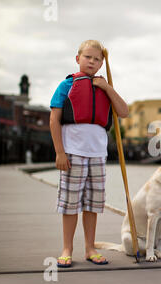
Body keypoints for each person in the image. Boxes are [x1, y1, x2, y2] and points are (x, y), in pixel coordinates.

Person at [49, 40, 129, 267]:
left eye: (97, 59)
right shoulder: (67, 85)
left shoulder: (105, 87)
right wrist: (59, 152)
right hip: (72, 153)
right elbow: (54, 119)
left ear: (102, 63)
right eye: (88, 57)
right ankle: (67, 248)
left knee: (93, 205)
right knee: (70, 204)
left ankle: (90, 248)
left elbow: (123, 112)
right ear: (78, 59)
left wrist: (107, 88)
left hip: (97, 155)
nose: (92, 62)